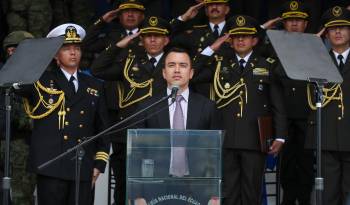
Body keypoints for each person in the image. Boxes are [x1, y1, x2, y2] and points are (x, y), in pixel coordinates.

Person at [193, 15, 287, 205]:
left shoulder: (267, 65)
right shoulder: (220, 64)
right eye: (236, 36)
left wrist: (280, 136)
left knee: (252, 194)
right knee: (228, 194)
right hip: (226, 140)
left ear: (255, 40)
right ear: (230, 40)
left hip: (254, 140)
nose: (241, 40)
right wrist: (212, 48)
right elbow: (192, 74)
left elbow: (278, 103)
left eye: (245, 36)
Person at [15, 23, 110, 205]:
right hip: (52, 165)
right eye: (66, 48)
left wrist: (99, 164)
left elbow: (102, 129)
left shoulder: (94, 85)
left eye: (76, 48)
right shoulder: (39, 80)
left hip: (82, 165)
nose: (73, 52)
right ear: (56, 55)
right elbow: (13, 82)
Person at [91, 16, 170, 205]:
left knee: (158, 189)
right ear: (141, 40)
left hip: (160, 136)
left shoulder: (174, 62)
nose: (152, 39)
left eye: (157, 36)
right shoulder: (129, 61)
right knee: (124, 188)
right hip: (127, 135)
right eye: (148, 36)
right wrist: (119, 45)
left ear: (166, 40)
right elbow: (97, 69)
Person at [131, 47, 221, 205]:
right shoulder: (148, 106)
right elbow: (137, 153)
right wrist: (137, 194)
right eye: (172, 65)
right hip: (156, 186)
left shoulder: (207, 107)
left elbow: (215, 153)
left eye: (183, 65)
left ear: (191, 73)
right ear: (164, 73)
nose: (177, 70)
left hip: (197, 187)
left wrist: (215, 194)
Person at [305, 6, 350, 205]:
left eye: (342, 27)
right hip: (327, 137)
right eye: (332, 28)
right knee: (329, 196)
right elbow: (283, 73)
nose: (338, 32)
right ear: (326, 33)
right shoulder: (317, 60)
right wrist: (311, 46)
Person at [0, 30, 36, 205]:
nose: (13, 53)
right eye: (11, 49)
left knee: (22, 195)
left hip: (22, 144)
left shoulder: (39, 78)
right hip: (5, 139)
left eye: (18, 49)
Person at [170, 0, 231, 99]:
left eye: (218, 4)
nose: (214, 7)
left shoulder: (235, 32)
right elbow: (165, 39)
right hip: (200, 93)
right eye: (210, 5)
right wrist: (184, 18)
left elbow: (257, 41)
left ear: (227, 9)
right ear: (206, 11)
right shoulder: (195, 32)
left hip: (229, 92)